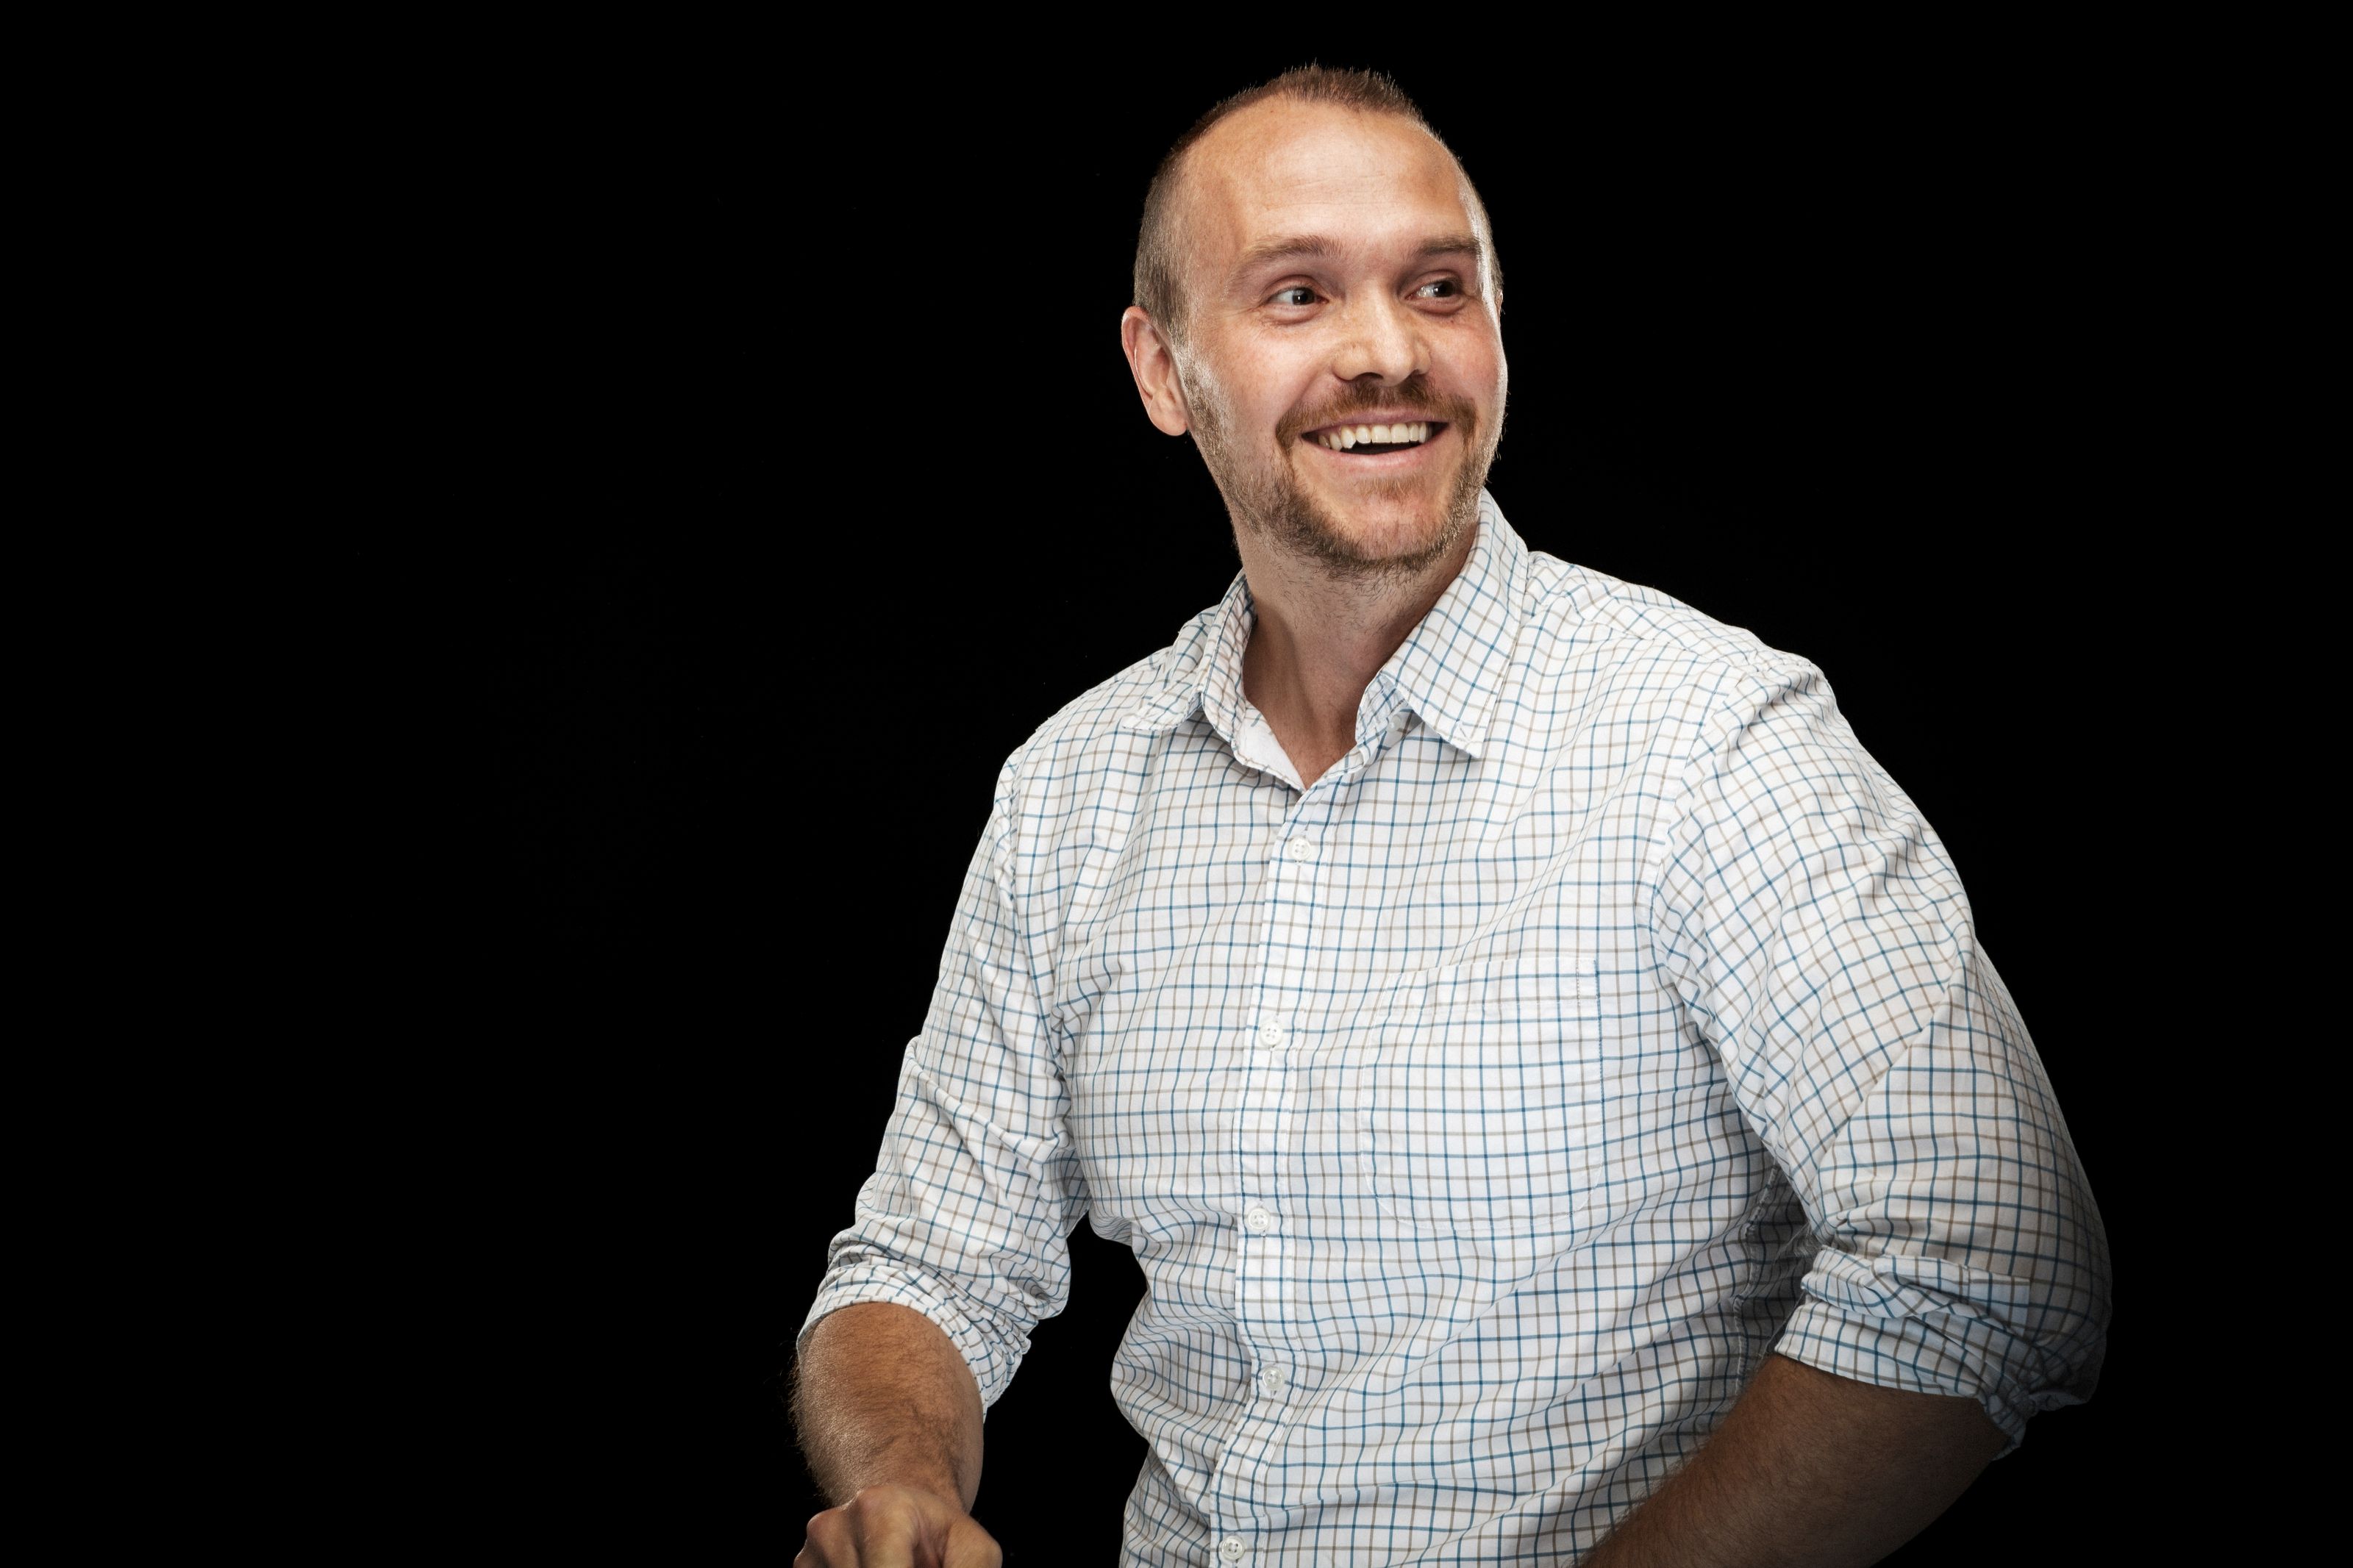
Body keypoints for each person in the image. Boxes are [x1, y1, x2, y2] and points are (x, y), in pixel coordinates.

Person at [790, 65, 2110, 1567]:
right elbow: (924, 1262)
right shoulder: (1072, 791)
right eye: (1298, 295)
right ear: (1162, 370)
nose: (1387, 352)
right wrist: (903, 1480)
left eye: (1438, 287)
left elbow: (1988, 1265)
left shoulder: (1710, 741)